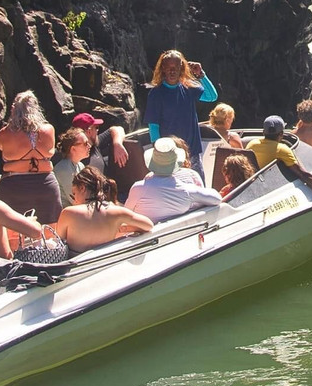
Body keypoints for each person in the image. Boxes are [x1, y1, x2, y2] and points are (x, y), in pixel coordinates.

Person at [144, 50, 218, 183]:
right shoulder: (156, 93)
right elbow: (153, 125)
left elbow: (212, 96)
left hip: (193, 152)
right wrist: (159, 151)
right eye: (169, 68)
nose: (172, 72)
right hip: (170, 156)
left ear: (181, 69)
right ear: (163, 69)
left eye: (176, 68)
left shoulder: (189, 89)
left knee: (198, 189)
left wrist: (201, 75)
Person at [0, 90, 61, 224]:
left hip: (14, 185)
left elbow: (1, 147)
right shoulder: (48, 130)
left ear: (13, 108)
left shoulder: (5, 133)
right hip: (45, 184)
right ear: (36, 108)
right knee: (50, 230)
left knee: (11, 232)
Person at [55, 166, 153, 253]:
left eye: (74, 194)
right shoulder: (117, 212)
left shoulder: (69, 213)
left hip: (77, 269)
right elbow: (148, 225)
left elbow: (58, 242)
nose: (75, 200)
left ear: (82, 188)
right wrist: (122, 228)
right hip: (104, 264)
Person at [124, 137, 222, 222]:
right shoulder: (187, 190)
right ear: (177, 163)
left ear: (152, 161)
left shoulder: (137, 188)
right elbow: (217, 198)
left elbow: (125, 215)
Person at [247, 116, 312, 202]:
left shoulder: (252, 144)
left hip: (252, 185)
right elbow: (303, 174)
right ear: (281, 134)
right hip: (269, 189)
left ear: (264, 132)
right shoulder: (281, 149)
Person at [53, 127, 92, 207]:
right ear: (73, 149)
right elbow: (76, 200)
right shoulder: (64, 169)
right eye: (85, 143)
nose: (89, 146)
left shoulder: (80, 165)